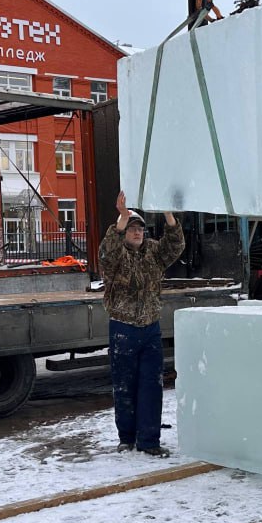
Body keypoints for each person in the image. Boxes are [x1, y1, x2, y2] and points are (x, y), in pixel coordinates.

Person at [99, 190, 185, 456]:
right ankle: (126, 437)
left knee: (151, 385)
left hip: (149, 328)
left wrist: (168, 214)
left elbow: (175, 246)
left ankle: (149, 440)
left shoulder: (153, 253)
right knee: (124, 385)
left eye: (140, 229)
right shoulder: (115, 256)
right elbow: (106, 251)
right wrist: (122, 217)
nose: (137, 233)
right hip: (123, 327)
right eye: (132, 229)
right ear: (124, 232)